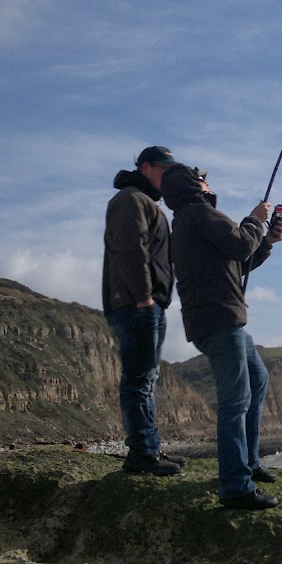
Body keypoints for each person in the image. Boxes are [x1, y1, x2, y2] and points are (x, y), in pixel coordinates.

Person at [161, 163, 282, 510]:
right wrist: (255, 219)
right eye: (202, 179)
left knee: (257, 381)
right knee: (236, 401)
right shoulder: (200, 214)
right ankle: (235, 485)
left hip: (218, 319)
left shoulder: (190, 220)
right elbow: (238, 245)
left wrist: (267, 241)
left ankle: (247, 464)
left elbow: (237, 262)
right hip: (220, 319)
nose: (207, 182)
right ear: (192, 185)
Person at [101, 145, 186, 476]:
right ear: (146, 167)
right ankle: (142, 454)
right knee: (139, 380)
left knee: (146, 379)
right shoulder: (130, 200)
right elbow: (130, 246)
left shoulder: (144, 202)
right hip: (136, 303)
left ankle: (150, 449)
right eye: (165, 170)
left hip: (144, 303)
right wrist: (143, 296)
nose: (169, 178)